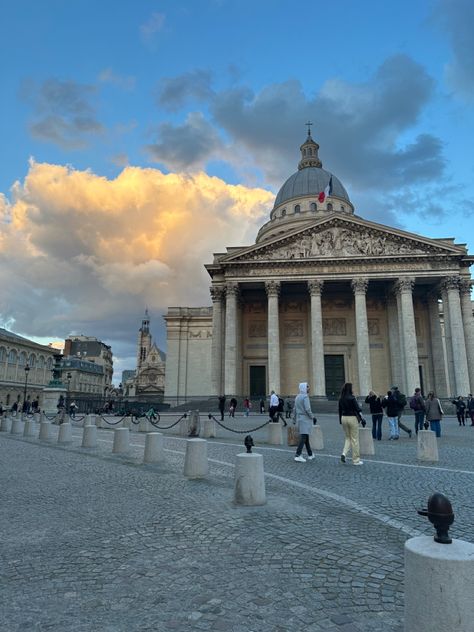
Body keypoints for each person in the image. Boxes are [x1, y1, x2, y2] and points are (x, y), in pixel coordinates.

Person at [339, 382, 364, 465]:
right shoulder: (352, 398)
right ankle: (356, 460)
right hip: (352, 418)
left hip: (343, 418)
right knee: (355, 439)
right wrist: (362, 419)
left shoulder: (341, 398)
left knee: (347, 438)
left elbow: (339, 410)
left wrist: (340, 420)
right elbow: (358, 409)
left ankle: (344, 454)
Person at [293, 382, 316, 463]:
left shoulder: (297, 397)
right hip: (305, 419)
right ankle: (298, 455)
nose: (309, 388)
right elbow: (308, 409)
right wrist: (313, 417)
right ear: (304, 388)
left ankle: (310, 454)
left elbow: (294, 409)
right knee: (303, 437)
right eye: (307, 387)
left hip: (300, 419)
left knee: (306, 437)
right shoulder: (305, 397)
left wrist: (294, 419)